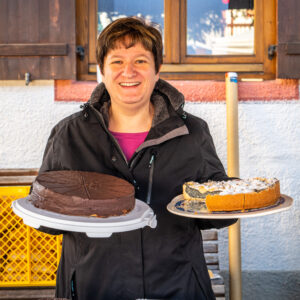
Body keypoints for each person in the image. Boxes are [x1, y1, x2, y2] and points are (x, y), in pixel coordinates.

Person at [39, 17, 236, 300]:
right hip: (92, 287)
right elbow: (46, 219)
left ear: (157, 71)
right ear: (102, 71)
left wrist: (233, 202)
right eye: (117, 61)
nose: (128, 71)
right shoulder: (69, 135)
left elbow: (215, 212)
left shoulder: (191, 132)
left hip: (176, 287)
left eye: (141, 61)